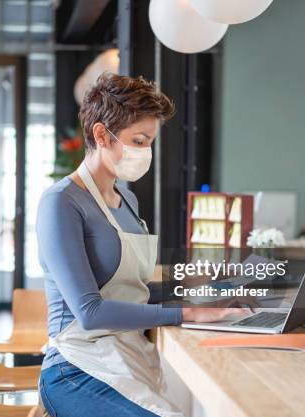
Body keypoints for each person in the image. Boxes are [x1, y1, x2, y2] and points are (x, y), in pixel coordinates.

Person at [36, 73, 250, 417]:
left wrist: (200, 291)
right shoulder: (61, 202)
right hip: (76, 366)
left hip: (129, 355)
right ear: (101, 135)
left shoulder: (127, 199)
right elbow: (90, 314)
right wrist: (188, 312)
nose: (145, 152)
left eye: (149, 141)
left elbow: (130, 290)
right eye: (138, 140)